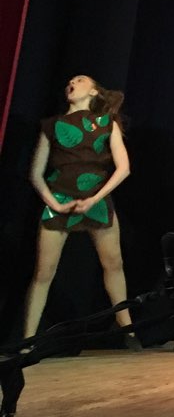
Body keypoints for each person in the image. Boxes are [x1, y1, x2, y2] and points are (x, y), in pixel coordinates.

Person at [22, 75, 140, 350]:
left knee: (113, 264)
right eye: (70, 81)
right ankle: (28, 340)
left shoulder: (106, 123)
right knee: (43, 272)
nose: (72, 83)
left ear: (94, 91)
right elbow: (36, 173)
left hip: (96, 199)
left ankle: (129, 331)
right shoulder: (52, 125)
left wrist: (94, 199)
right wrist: (55, 205)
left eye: (80, 80)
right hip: (60, 198)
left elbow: (123, 168)